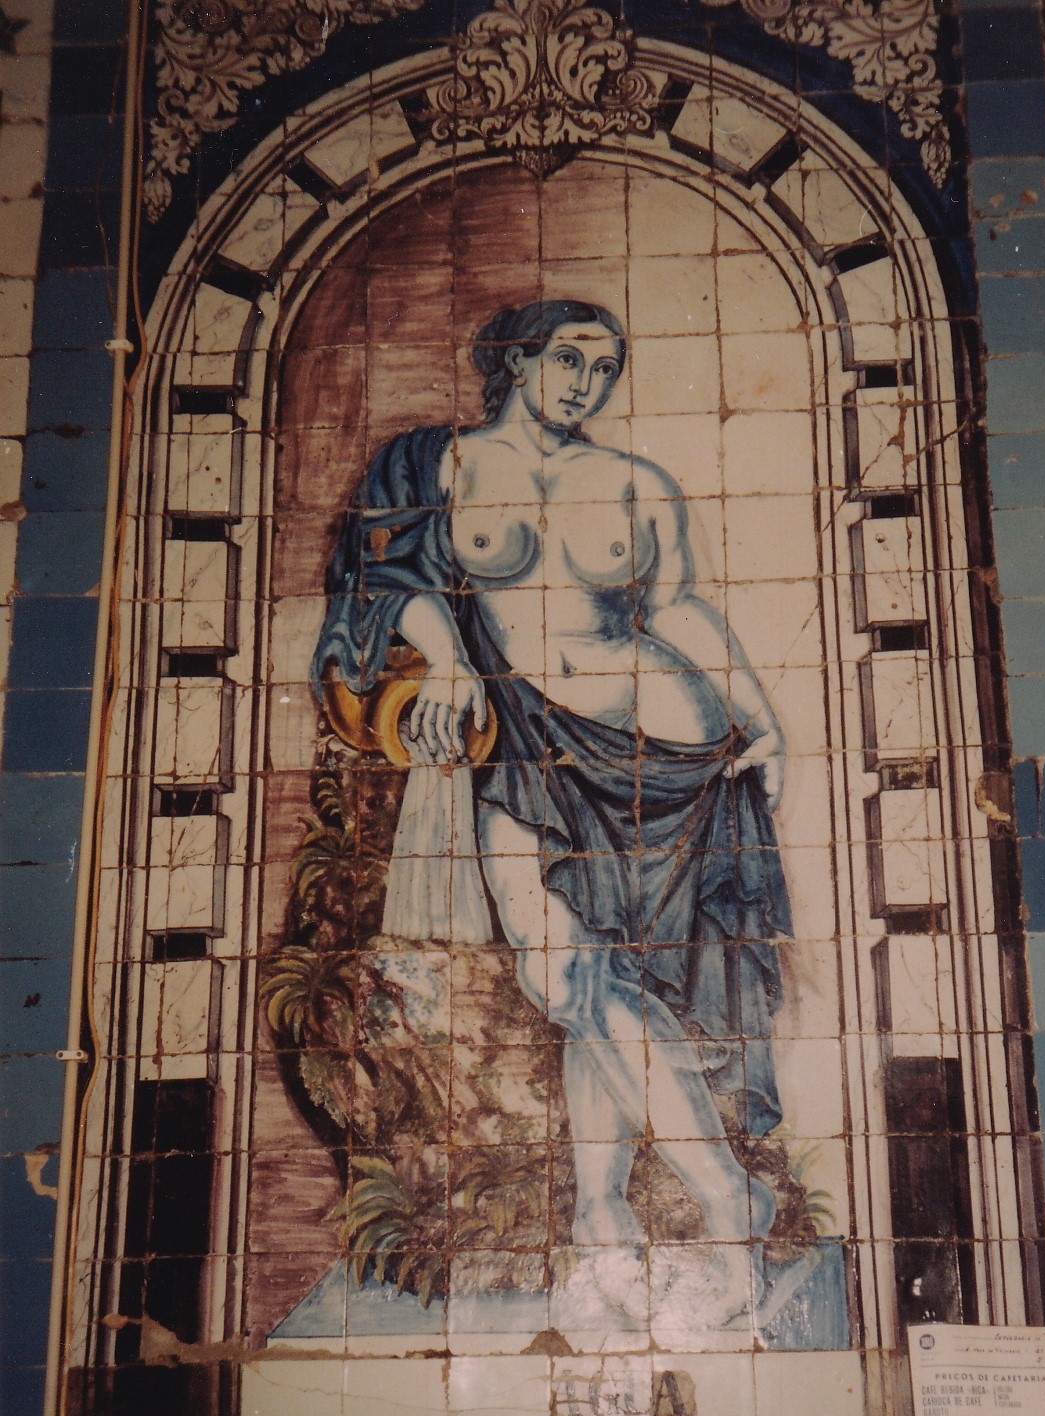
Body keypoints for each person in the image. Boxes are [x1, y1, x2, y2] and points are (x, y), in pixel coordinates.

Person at [312, 300, 792, 1322]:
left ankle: (601, 1210)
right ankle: (727, 1197)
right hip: (527, 743)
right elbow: (383, 576)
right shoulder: (433, 464)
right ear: (518, 360)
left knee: (598, 986)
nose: (587, 382)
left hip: (668, 750)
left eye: (606, 367)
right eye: (570, 358)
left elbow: (679, 608)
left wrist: (761, 720)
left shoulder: (632, 481)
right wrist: (448, 661)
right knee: (565, 973)